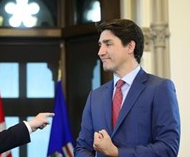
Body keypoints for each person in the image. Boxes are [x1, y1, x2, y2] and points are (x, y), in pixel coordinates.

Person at [74, 19, 180, 157]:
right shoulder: (95, 96)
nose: (100, 52)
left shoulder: (160, 88)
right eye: (100, 45)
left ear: (130, 46)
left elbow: (168, 149)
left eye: (108, 44)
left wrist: (117, 153)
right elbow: (82, 148)